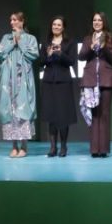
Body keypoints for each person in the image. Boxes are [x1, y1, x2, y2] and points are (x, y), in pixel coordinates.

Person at [0, 12, 38, 158]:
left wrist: (20, 42)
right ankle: (13, 146)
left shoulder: (30, 38)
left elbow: (33, 54)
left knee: (23, 110)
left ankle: (24, 146)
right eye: (11, 20)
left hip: (23, 78)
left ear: (22, 21)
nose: (12, 22)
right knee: (10, 110)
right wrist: (13, 43)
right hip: (8, 79)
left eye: (15, 20)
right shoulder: (6, 38)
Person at [79, 12, 112, 157]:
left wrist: (103, 47)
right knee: (94, 114)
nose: (97, 22)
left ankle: (104, 149)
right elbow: (81, 56)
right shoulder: (87, 38)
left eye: (99, 20)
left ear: (104, 22)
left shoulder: (110, 38)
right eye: (94, 20)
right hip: (90, 78)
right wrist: (91, 47)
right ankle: (94, 149)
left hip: (106, 78)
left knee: (104, 114)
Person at [39, 15, 77, 157]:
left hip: (63, 81)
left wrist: (60, 53)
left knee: (63, 115)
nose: (56, 27)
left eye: (59, 25)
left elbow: (72, 61)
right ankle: (52, 147)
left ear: (63, 27)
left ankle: (63, 146)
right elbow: (41, 62)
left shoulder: (70, 43)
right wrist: (48, 55)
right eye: (54, 24)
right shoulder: (46, 42)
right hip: (49, 82)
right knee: (51, 115)